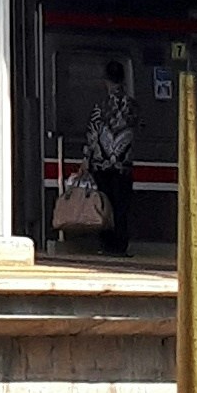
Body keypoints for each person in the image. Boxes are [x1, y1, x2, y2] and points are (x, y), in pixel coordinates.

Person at [85, 58, 139, 255]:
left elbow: (93, 134)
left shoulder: (101, 106)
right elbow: (136, 130)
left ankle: (107, 244)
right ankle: (121, 245)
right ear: (123, 80)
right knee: (122, 206)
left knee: (105, 204)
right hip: (123, 165)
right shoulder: (133, 106)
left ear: (106, 81)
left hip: (103, 164)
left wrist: (87, 158)